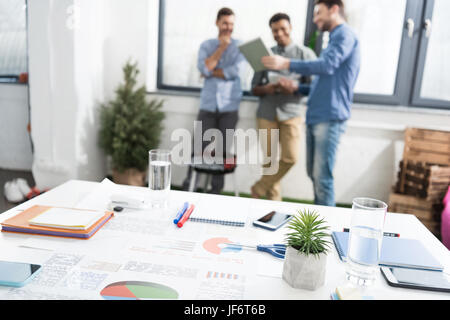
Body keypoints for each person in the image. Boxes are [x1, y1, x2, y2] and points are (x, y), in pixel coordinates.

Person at [261, 0, 360, 207]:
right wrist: (296, 88)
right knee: (314, 175)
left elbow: (327, 65)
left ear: (334, 9)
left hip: (330, 116)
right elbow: (321, 82)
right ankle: (319, 227)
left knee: (322, 179)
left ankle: (324, 233)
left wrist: (286, 63)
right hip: (316, 115)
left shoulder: (345, 35)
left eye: (318, 13)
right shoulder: (333, 41)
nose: (315, 19)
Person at [250, 13, 317, 201]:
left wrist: (295, 89)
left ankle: (260, 187)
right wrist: (267, 88)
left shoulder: (306, 55)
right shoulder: (265, 55)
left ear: (290, 28)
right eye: (275, 30)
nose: (279, 33)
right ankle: (273, 208)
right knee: (270, 163)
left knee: (290, 158)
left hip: (292, 114)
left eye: (282, 29)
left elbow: (315, 88)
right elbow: (253, 88)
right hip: (266, 113)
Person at [182, 7, 246, 194]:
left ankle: (215, 191)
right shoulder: (207, 45)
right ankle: (190, 188)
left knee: (222, 151)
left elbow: (236, 72)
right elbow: (204, 68)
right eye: (225, 23)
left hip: (229, 106)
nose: (228, 27)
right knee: (198, 150)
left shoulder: (241, 46)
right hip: (208, 105)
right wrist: (221, 49)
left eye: (232, 24)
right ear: (217, 23)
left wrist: (210, 72)